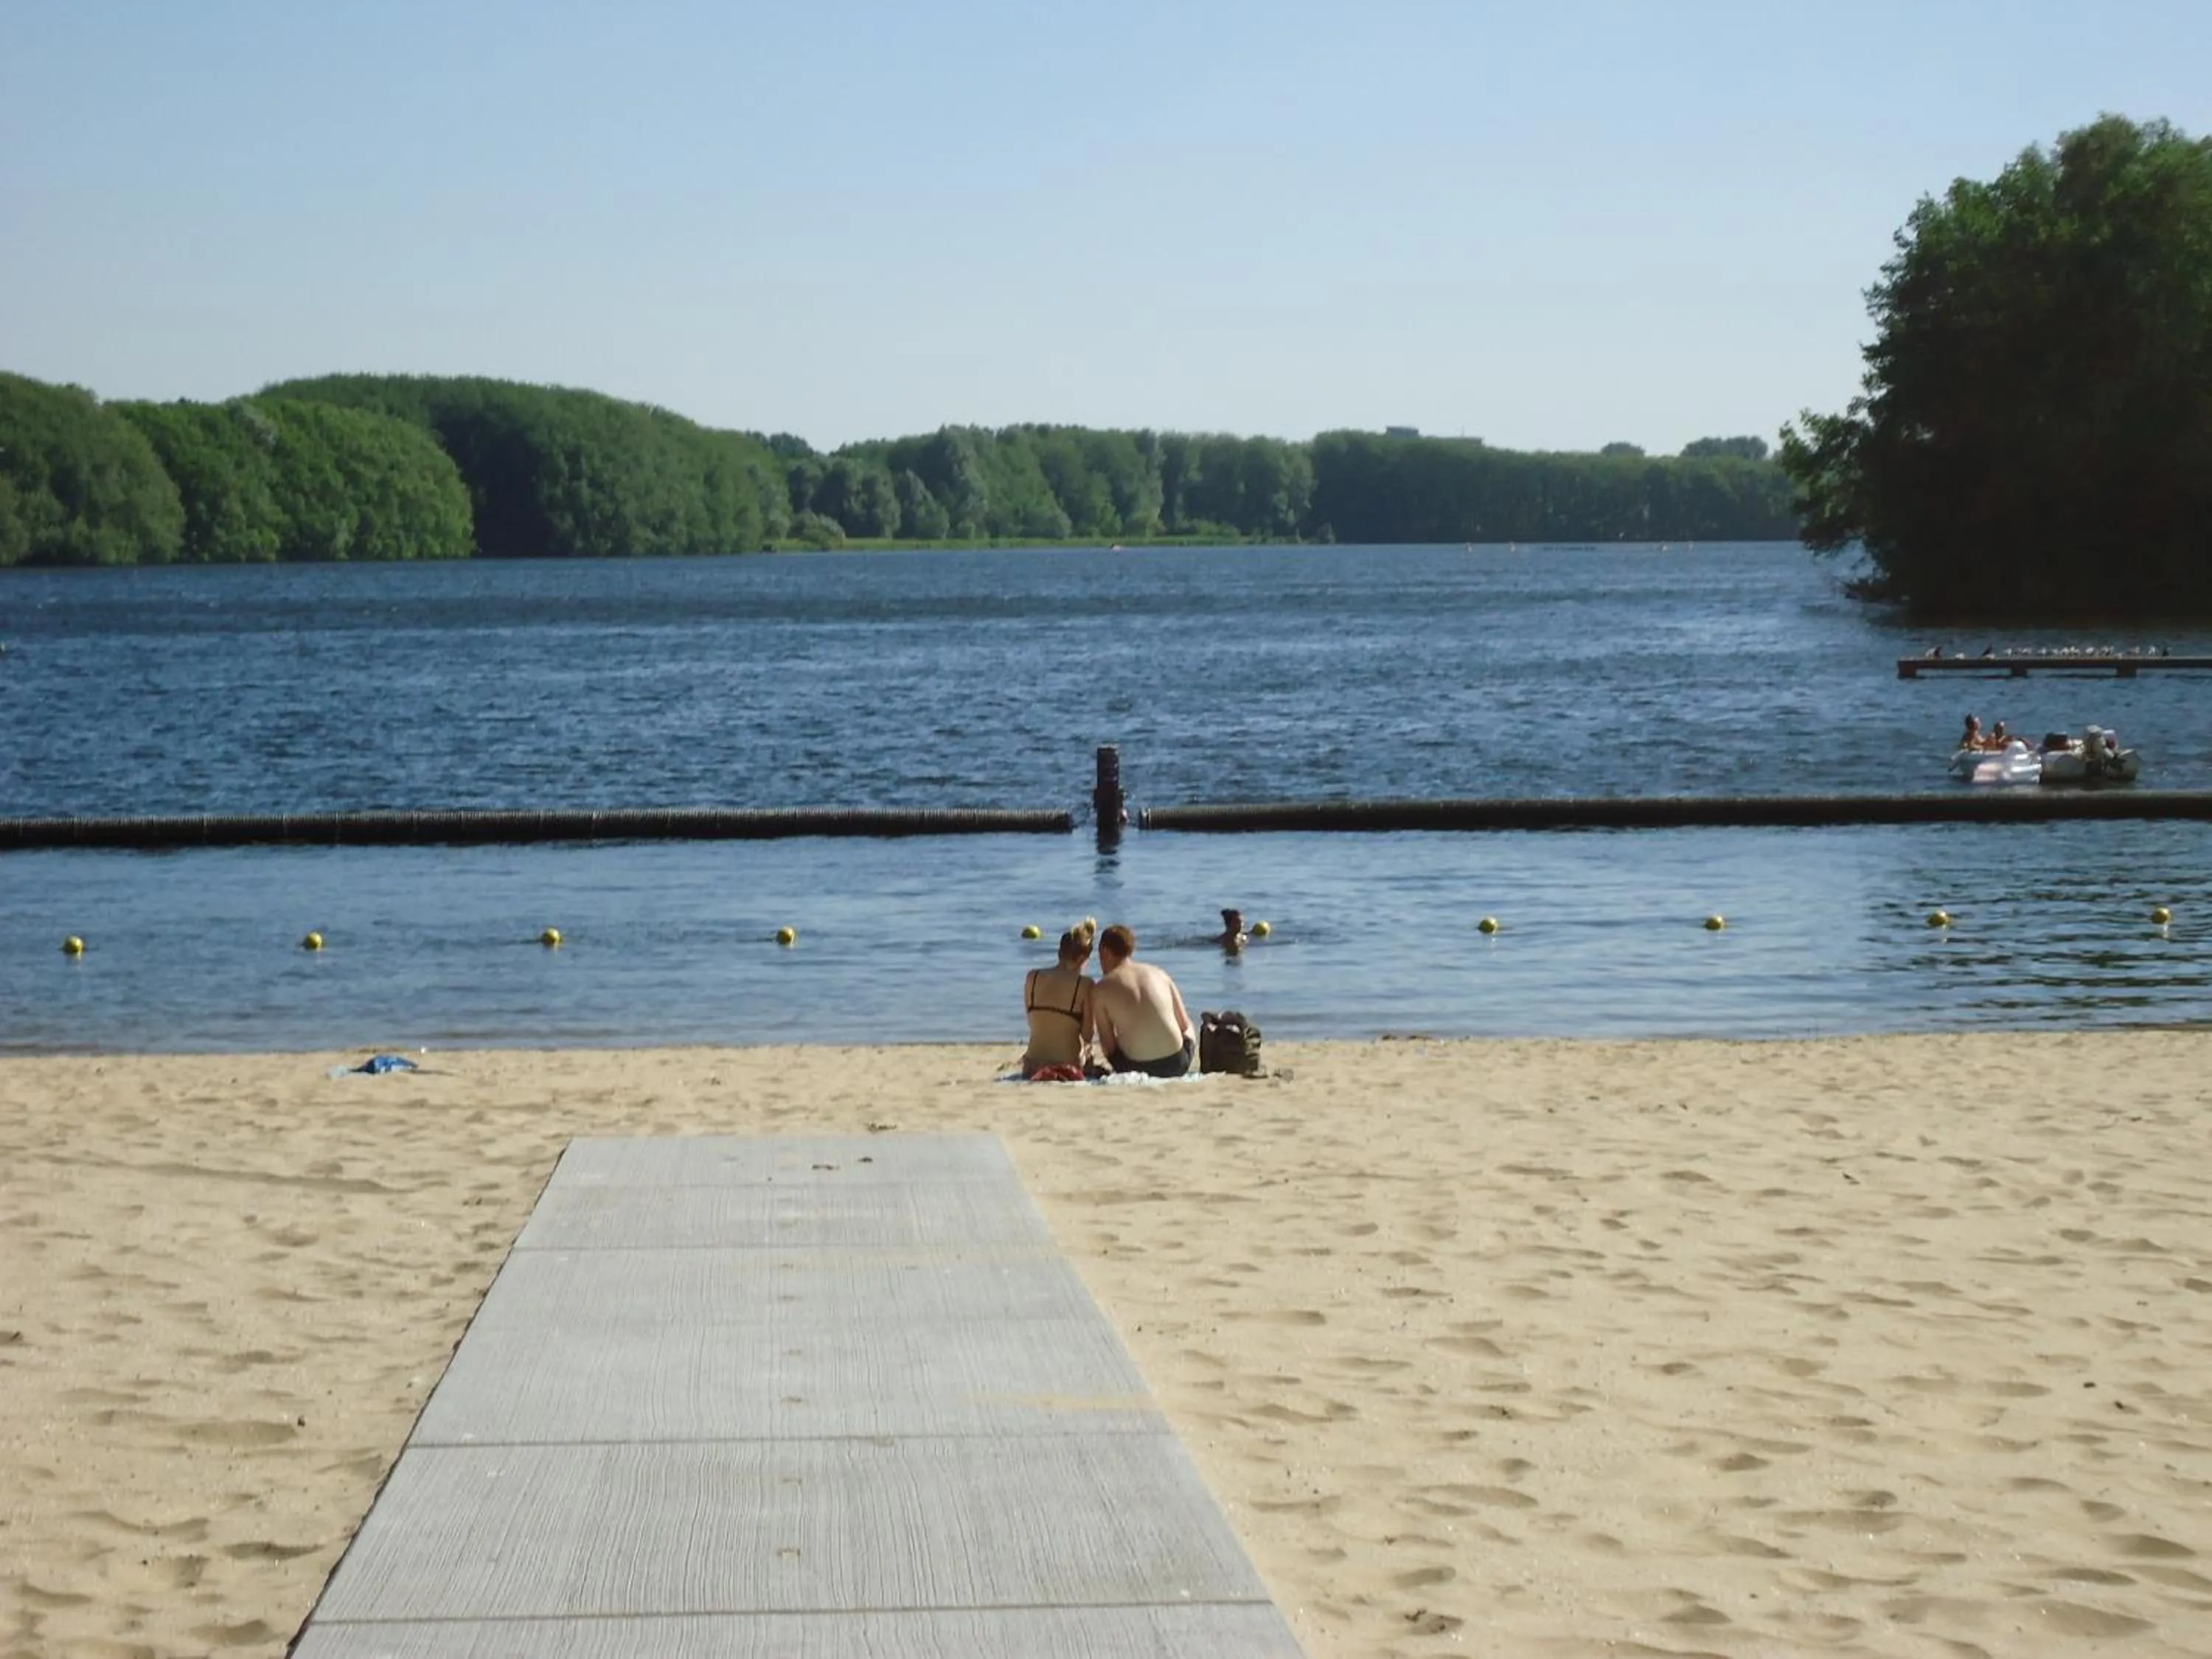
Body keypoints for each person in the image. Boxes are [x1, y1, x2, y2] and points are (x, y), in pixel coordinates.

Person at [1091, 924, 1196, 1078]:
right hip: (1177, 1064)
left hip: (1134, 1068)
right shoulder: (1160, 974)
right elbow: (1184, 1024)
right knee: (1190, 1027)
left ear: (1105, 952)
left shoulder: (1101, 988)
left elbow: (1108, 1046)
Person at [1020, 923, 1096, 1079]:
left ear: (1059, 952)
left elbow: (1034, 1022)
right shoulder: (1085, 984)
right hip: (1066, 1068)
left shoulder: (1032, 977)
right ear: (1084, 957)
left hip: (1031, 1067)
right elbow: (1088, 1035)